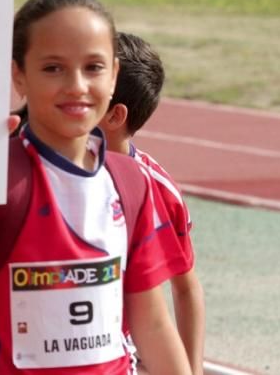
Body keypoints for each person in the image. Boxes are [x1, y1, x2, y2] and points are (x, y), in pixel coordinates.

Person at [0, 0, 191, 375]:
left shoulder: (131, 182)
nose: (76, 85)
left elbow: (153, 322)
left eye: (93, 67)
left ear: (114, 76)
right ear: (18, 75)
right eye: (52, 68)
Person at [98, 32, 205, 375]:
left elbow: (186, 288)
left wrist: (192, 368)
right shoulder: (31, 167)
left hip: (111, 357)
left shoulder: (157, 191)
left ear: (114, 116)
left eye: (90, 77)